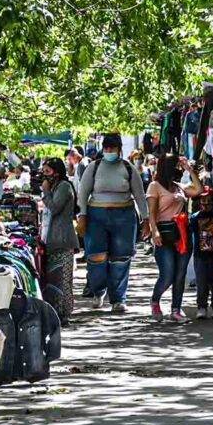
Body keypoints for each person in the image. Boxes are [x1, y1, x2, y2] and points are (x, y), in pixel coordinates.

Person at [76, 133, 150, 313]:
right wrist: (82, 216)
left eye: (113, 148)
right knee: (96, 257)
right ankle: (98, 290)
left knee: (121, 258)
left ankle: (118, 298)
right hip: (96, 216)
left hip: (124, 216)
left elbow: (140, 195)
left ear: (119, 150)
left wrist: (146, 219)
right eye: (106, 148)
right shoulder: (93, 167)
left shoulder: (128, 168)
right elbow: (83, 194)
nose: (109, 151)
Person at [146, 153, 202, 323]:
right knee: (168, 274)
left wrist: (190, 170)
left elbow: (198, 190)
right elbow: (152, 212)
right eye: (176, 165)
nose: (178, 168)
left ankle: (176, 309)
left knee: (180, 274)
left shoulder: (179, 186)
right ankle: (155, 300)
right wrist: (154, 231)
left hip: (182, 234)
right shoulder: (154, 186)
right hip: (164, 234)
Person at [41, 158, 79, 326]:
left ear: (56, 171)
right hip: (53, 238)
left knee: (62, 278)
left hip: (62, 239)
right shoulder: (56, 186)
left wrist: (46, 192)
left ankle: (63, 312)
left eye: (48, 172)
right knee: (53, 278)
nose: (45, 176)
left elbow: (55, 207)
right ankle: (55, 311)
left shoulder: (64, 186)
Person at [190, 186, 213, 319]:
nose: (205, 204)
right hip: (200, 255)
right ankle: (202, 306)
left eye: (208, 201)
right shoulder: (194, 218)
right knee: (201, 282)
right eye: (203, 201)